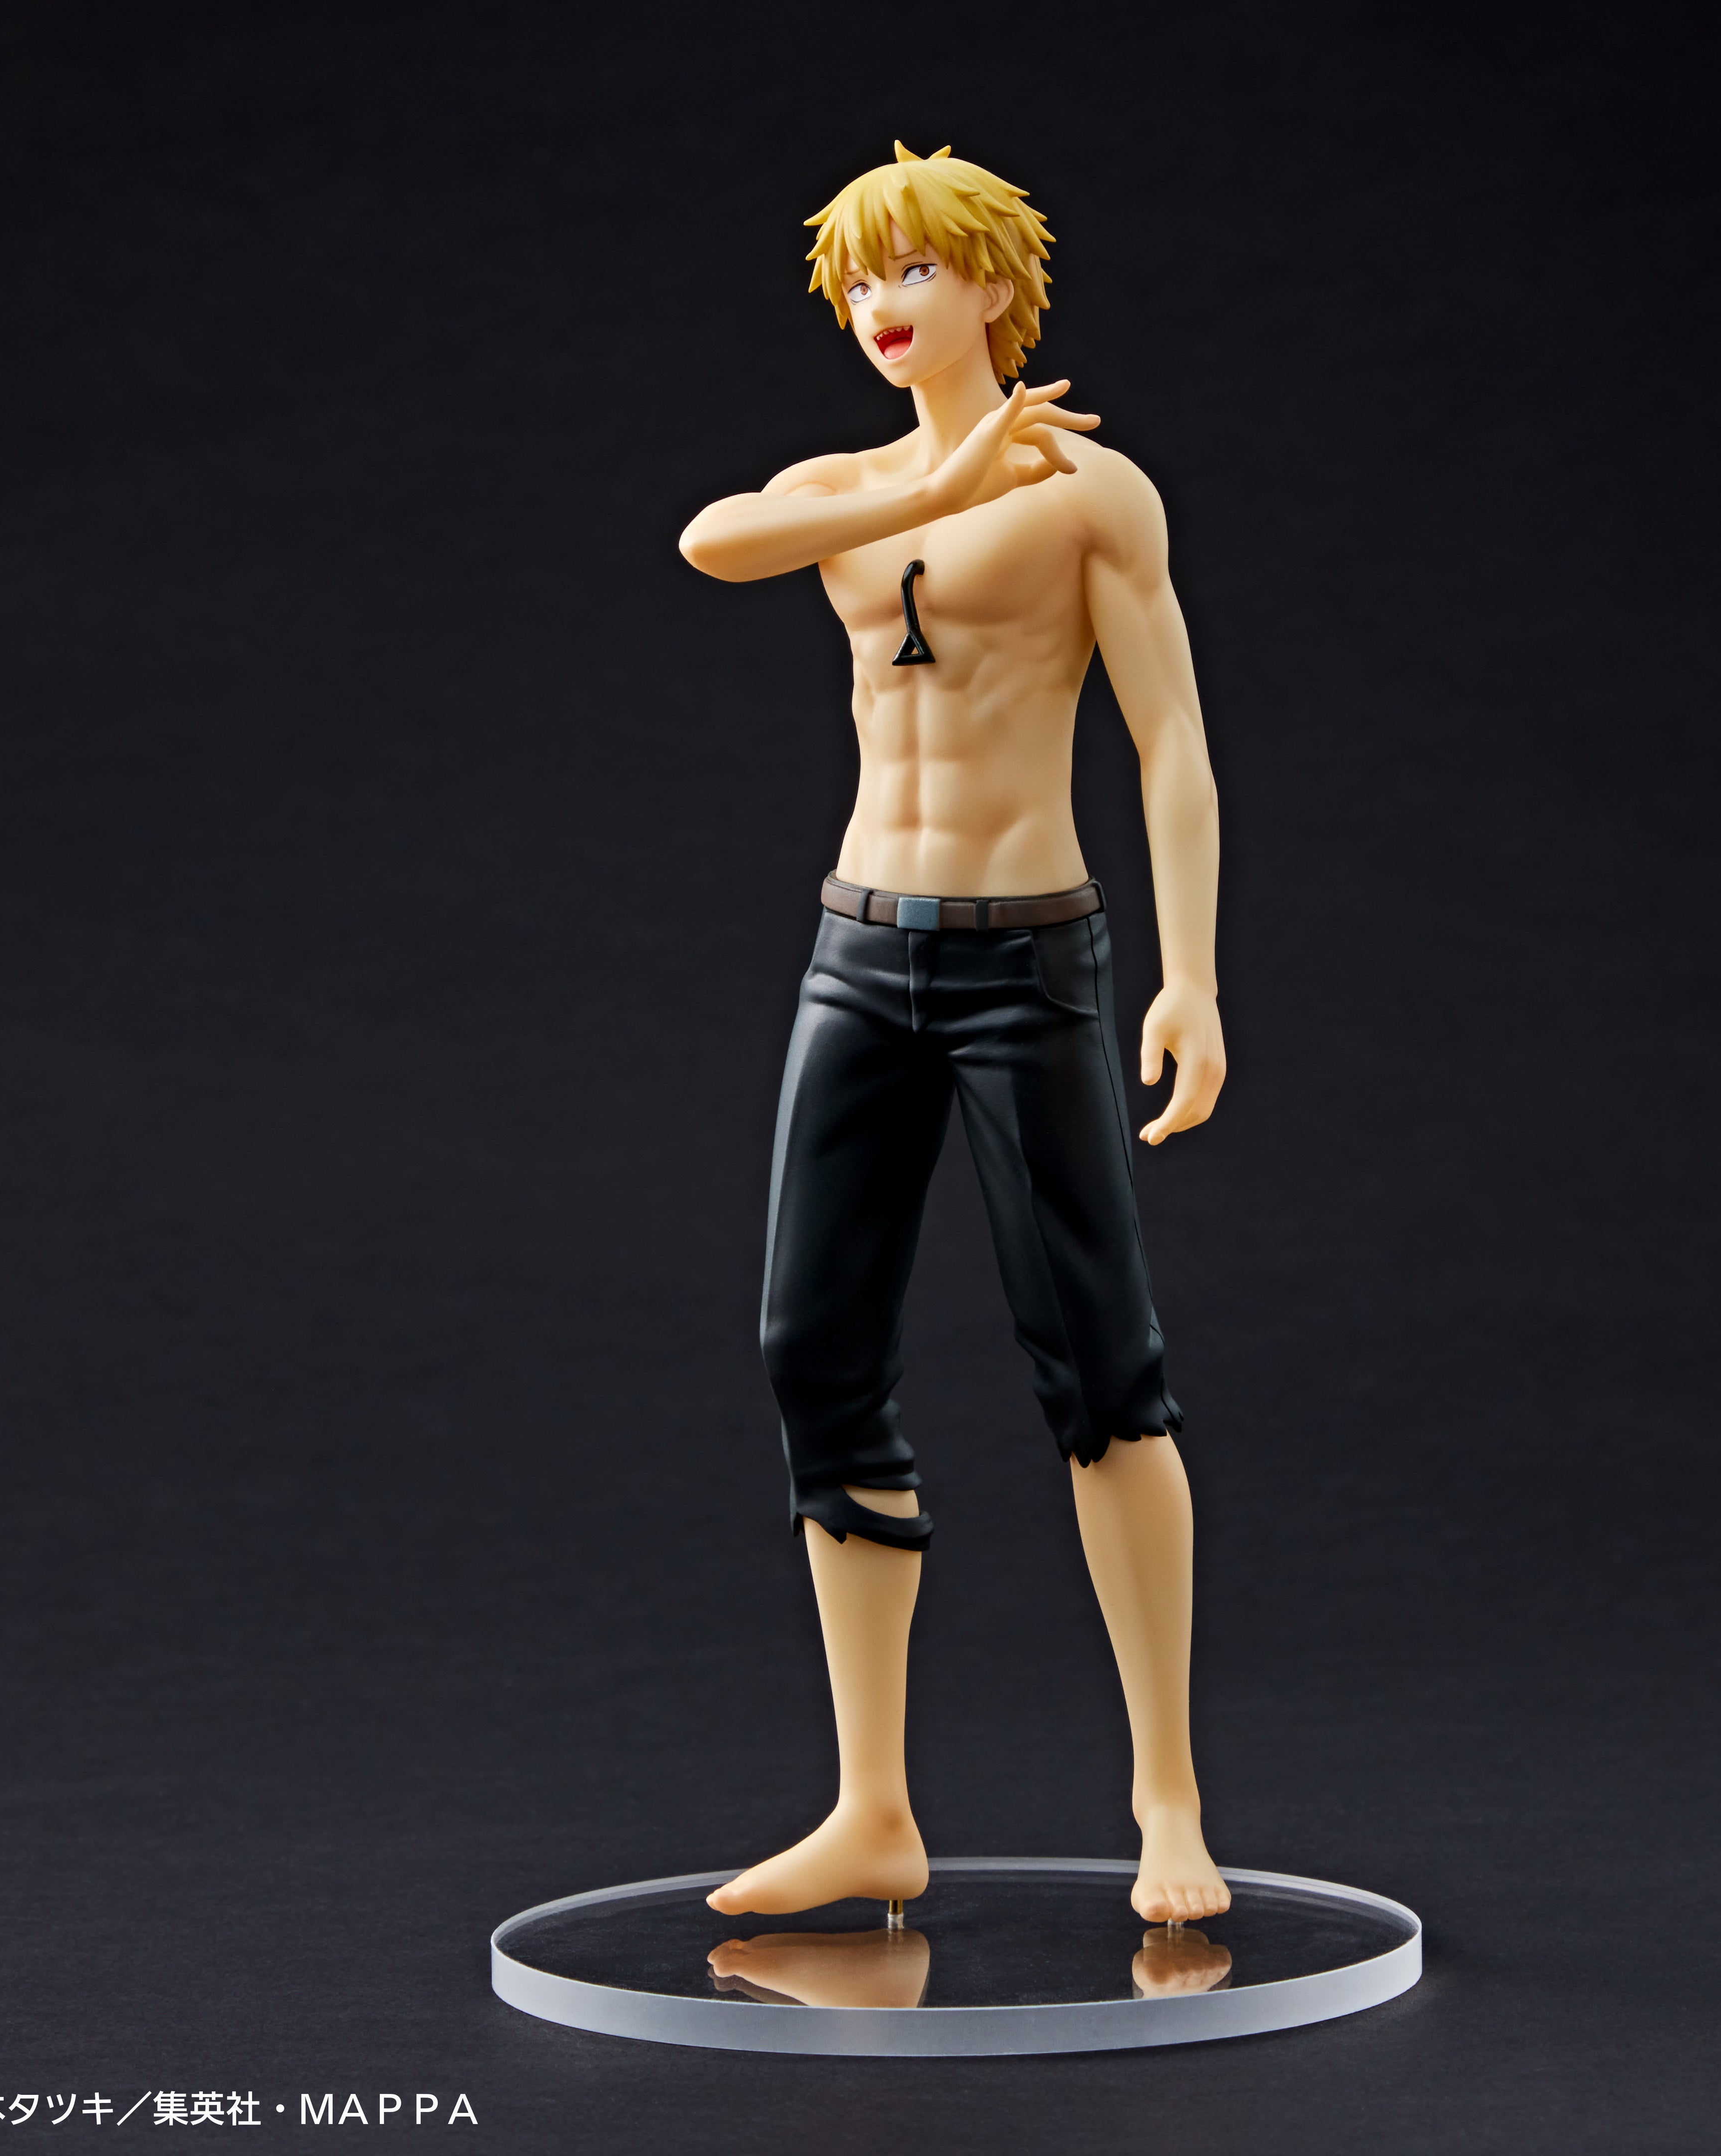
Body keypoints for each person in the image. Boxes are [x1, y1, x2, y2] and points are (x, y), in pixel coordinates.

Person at [678, 144, 1229, 1925]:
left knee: (1101, 1367)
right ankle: (872, 1809)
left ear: (995, 284)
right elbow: (713, 543)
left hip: (1026, 959)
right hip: (860, 952)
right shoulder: (844, 489)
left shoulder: (1088, 493)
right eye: (856, 282)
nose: (880, 305)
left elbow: (1170, 740)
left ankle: (1166, 1797)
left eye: (912, 270)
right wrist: (933, 478)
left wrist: (1192, 974)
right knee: (813, 1351)